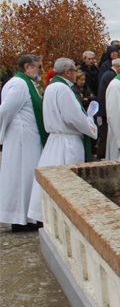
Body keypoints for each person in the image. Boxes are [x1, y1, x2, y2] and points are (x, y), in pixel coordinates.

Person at [27, 58, 98, 223]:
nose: (76, 73)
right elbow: (73, 118)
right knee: (67, 183)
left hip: (55, 140)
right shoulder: (64, 90)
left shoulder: (51, 87)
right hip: (68, 142)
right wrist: (90, 125)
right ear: (67, 72)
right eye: (74, 71)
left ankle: (46, 214)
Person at [0, 55, 46, 232]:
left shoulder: (25, 83)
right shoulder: (19, 84)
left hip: (27, 137)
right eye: (39, 67)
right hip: (21, 138)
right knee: (21, 177)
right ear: (27, 67)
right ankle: (20, 219)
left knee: (27, 177)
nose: (41, 70)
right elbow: (5, 111)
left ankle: (28, 217)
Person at [96, 58, 120, 160]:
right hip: (105, 109)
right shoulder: (111, 76)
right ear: (118, 66)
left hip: (103, 108)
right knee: (105, 133)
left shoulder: (108, 74)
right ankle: (101, 154)